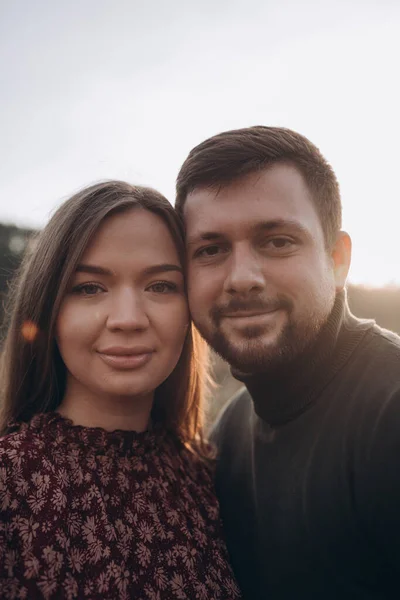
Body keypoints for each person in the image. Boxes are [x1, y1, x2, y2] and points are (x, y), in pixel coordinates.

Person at [175, 126, 400, 599]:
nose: (242, 279)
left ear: (337, 259)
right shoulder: (228, 436)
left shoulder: (390, 411)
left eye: (276, 241)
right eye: (211, 250)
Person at [0, 181, 241, 599]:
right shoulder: (10, 482)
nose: (128, 319)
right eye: (89, 288)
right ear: (49, 309)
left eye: (161, 286)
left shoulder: (207, 478)